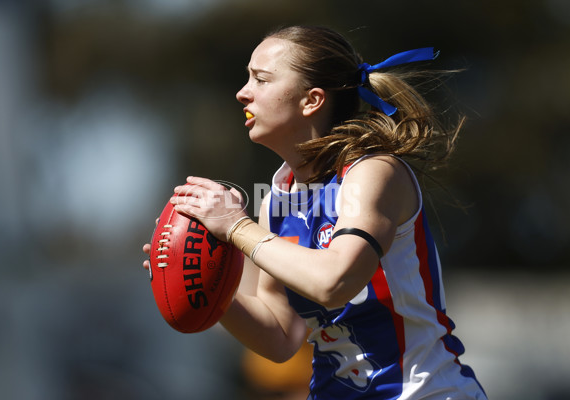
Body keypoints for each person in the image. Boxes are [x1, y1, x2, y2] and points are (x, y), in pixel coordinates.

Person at [143, 25, 488, 400]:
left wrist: (236, 227)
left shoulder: (372, 172)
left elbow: (335, 281)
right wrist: (204, 284)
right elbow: (281, 337)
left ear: (311, 101)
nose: (243, 92)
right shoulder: (277, 199)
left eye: (261, 79)